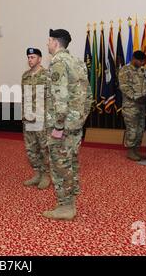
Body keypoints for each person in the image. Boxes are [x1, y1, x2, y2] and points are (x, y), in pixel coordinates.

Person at [43, 29, 92, 221]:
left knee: (60, 164)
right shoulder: (78, 62)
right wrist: (80, 118)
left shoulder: (58, 62)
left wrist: (59, 126)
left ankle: (65, 207)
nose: (47, 44)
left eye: (49, 40)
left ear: (55, 42)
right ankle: (69, 200)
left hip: (61, 125)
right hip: (76, 123)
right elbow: (88, 96)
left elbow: (60, 97)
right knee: (71, 161)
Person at [21, 48, 50, 190]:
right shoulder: (25, 76)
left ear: (39, 59)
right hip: (28, 118)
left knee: (44, 148)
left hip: (42, 118)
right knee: (31, 148)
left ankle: (46, 175)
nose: (30, 59)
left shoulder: (47, 75)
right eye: (28, 57)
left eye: (33, 57)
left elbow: (52, 98)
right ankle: (38, 173)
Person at [118, 51, 146, 161]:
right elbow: (124, 88)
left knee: (140, 129)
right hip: (130, 106)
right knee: (132, 129)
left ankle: (136, 150)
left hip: (141, 105)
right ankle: (130, 151)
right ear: (134, 59)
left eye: (143, 61)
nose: (143, 63)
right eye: (141, 61)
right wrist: (136, 98)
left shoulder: (142, 70)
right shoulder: (124, 70)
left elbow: (145, 86)